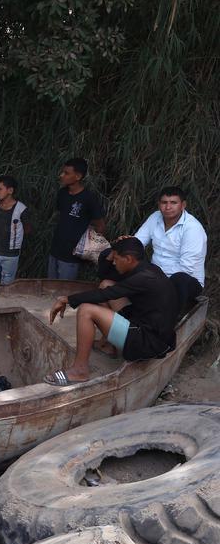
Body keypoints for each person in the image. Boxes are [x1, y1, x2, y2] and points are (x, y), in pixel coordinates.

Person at [46, 237, 178, 386]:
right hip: (150, 329)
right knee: (106, 284)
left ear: (128, 259)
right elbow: (105, 279)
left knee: (86, 310)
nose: (113, 263)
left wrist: (66, 299)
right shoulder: (146, 268)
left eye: (115, 259)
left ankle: (79, 371)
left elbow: (106, 295)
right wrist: (111, 254)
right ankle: (108, 346)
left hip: (148, 343)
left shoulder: (144, 278)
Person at [133, 186, 207, 313]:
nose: (168, 207)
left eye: (173, 203)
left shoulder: (192, 228)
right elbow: (137, 242)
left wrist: (155, 276)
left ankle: (170, 320)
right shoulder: (155, 217)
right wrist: (125, 247)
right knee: (125, 258)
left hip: (187, 280)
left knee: (179, 279)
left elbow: (187, 267)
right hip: (156, 275)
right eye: (164, 202)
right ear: (159, 204)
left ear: (183, 205)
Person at [48, 158, 106, 280]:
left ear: (78, 176)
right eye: (62, 172)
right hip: (55, 249)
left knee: (64, 290)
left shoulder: (88, 198)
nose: (61, 175)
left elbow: (100, 225)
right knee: (50, 287)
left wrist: (87, 247)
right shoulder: (62, 193)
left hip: (72, 255)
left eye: (66, 173)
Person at [0, 175, 32, 285]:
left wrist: (15, 239)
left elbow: (28, 229)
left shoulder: (21, 209)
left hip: (10, 254)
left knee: (7, 284)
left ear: (10, 190)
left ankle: (3, 302)